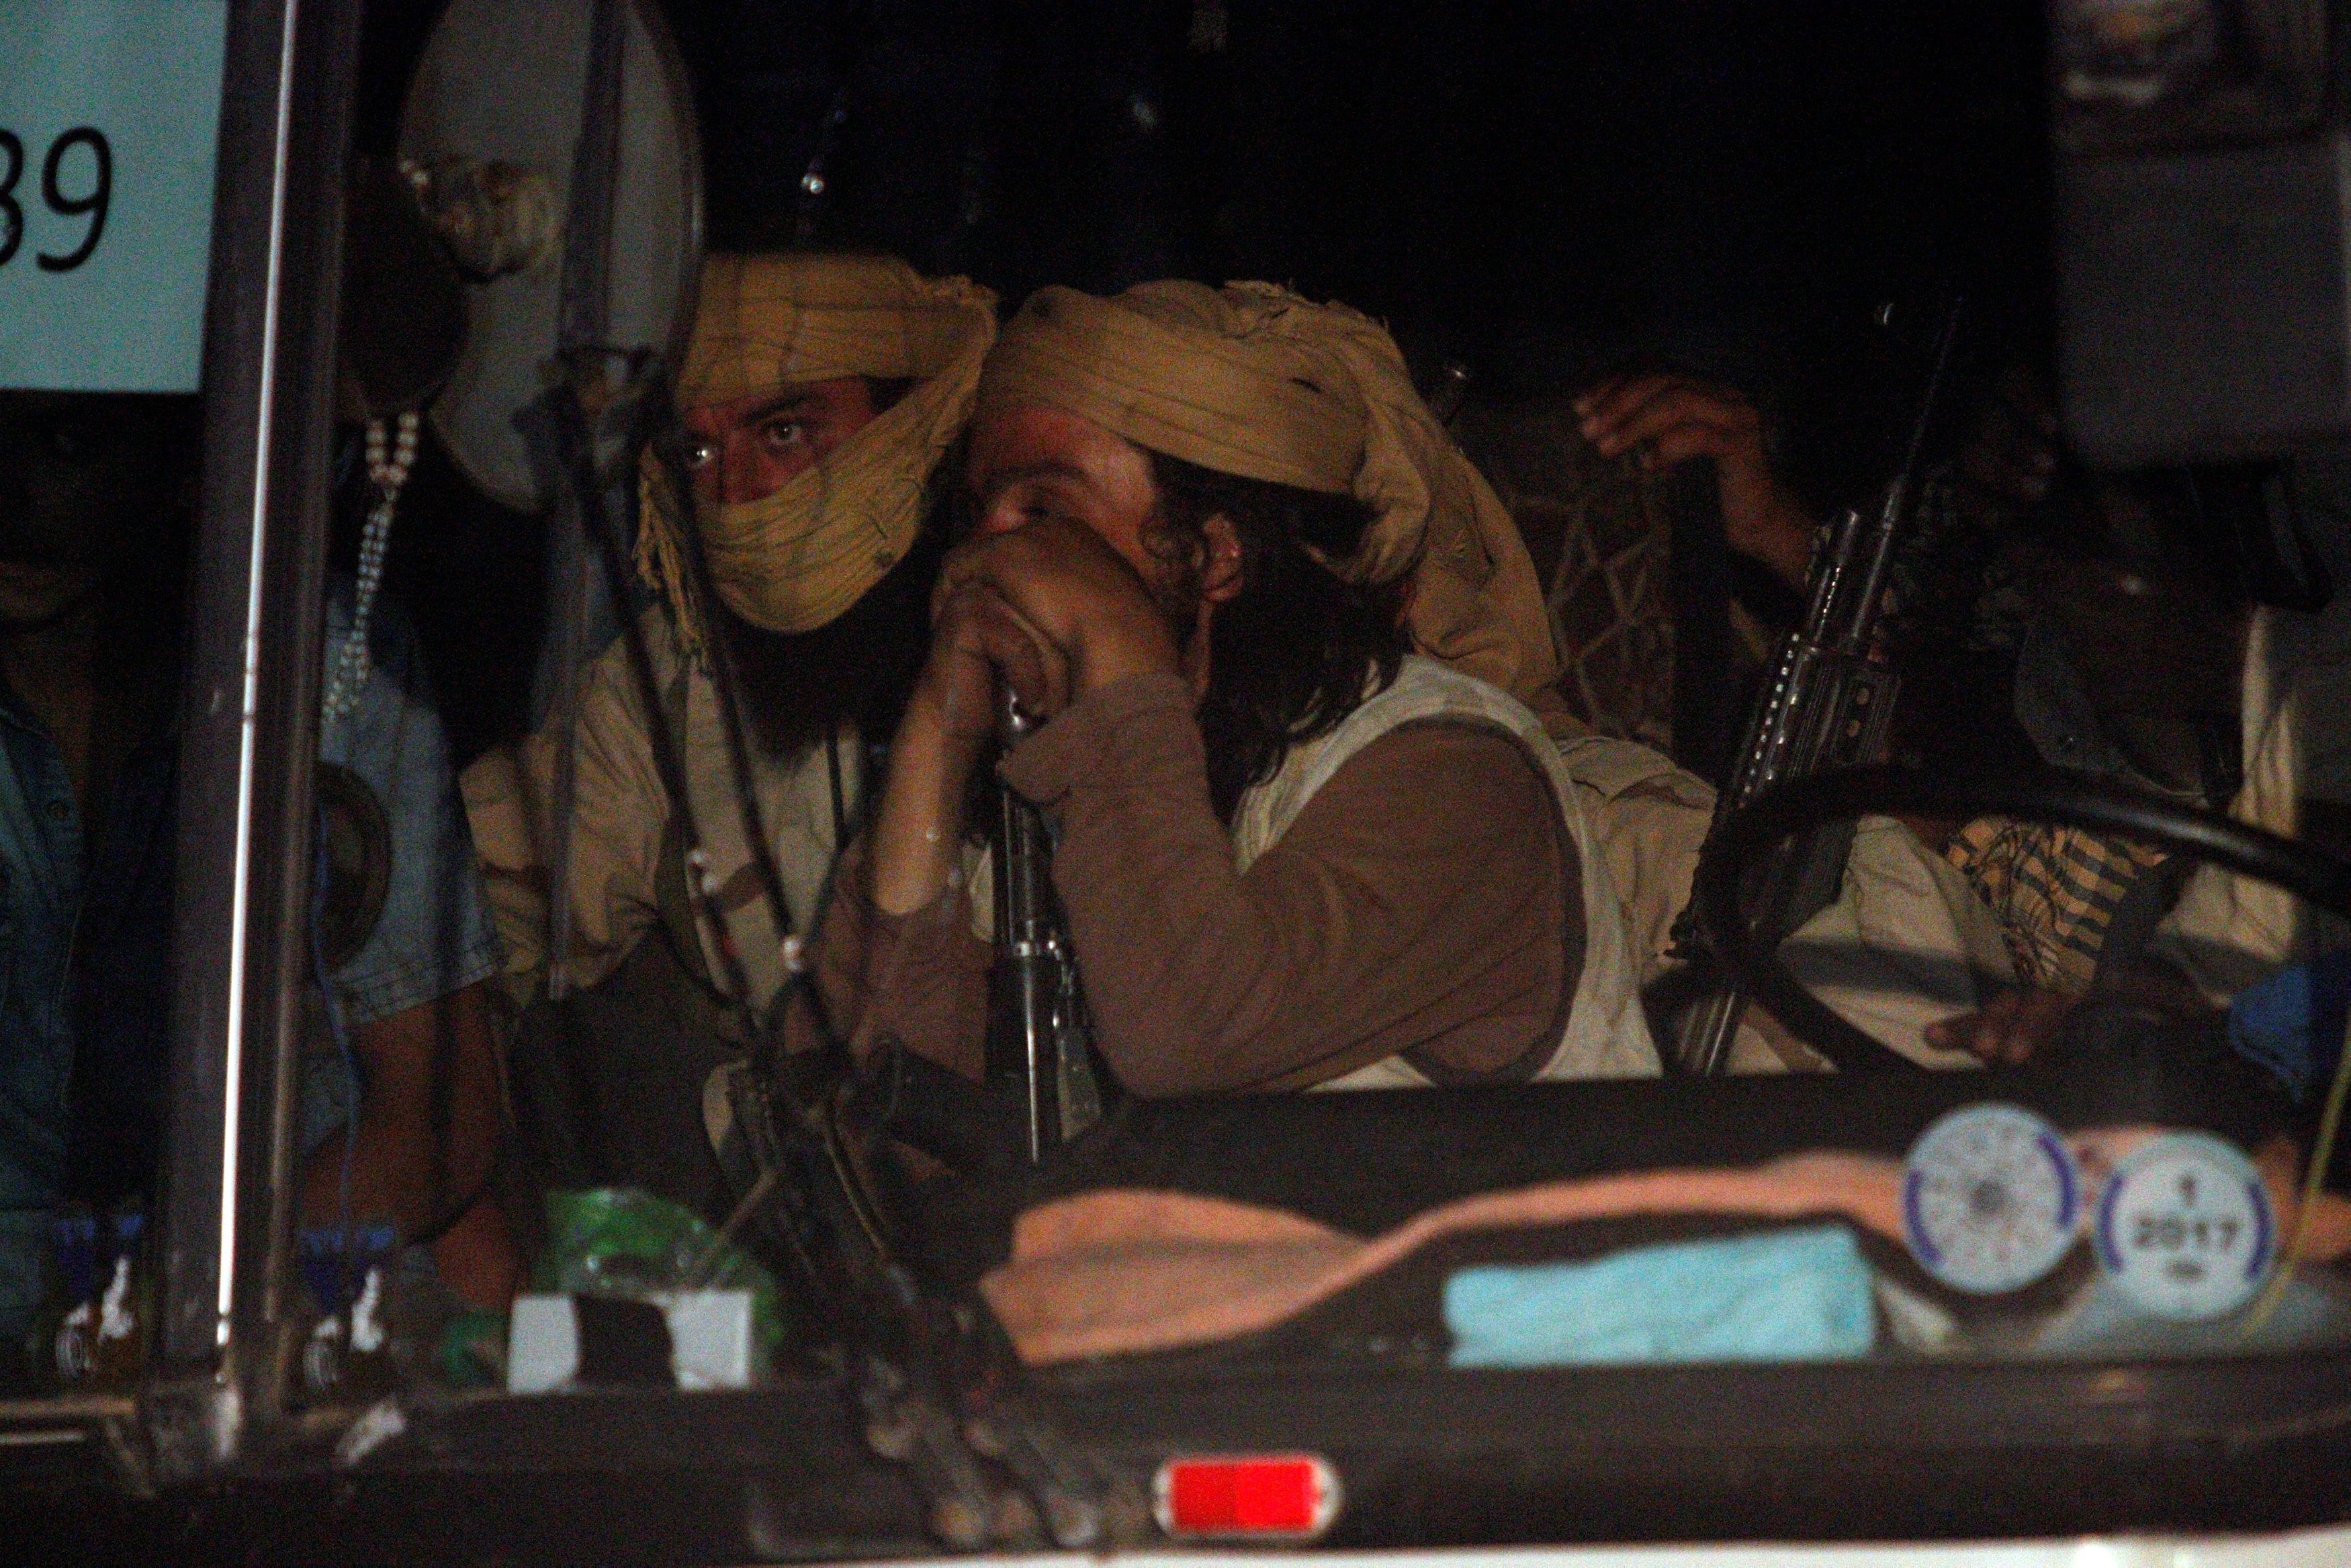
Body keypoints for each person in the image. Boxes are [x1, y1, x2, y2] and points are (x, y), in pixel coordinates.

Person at [790, 279, 1658, 1094]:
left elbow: (1190, 1034)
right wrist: (941, 728)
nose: (991, 553)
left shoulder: (1453, 779)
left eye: (1046, 515)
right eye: (977, 515)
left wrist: (1114, 646)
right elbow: (866, 1090)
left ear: (1216, 555)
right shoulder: (1060, 774)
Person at [461, 252, 997, 1203]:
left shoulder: (1031, 652)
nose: (736, 496)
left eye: (785, 432)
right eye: (699, 454)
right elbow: (484, 909)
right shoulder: (676, 675)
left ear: (908, 428)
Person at [0, 391, 516, 1356]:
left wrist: (176, 1300)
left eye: (66, 440)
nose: (11, 491)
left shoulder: (310, 661)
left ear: (175, 462)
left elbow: (436, 1107)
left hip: (268, 1318)